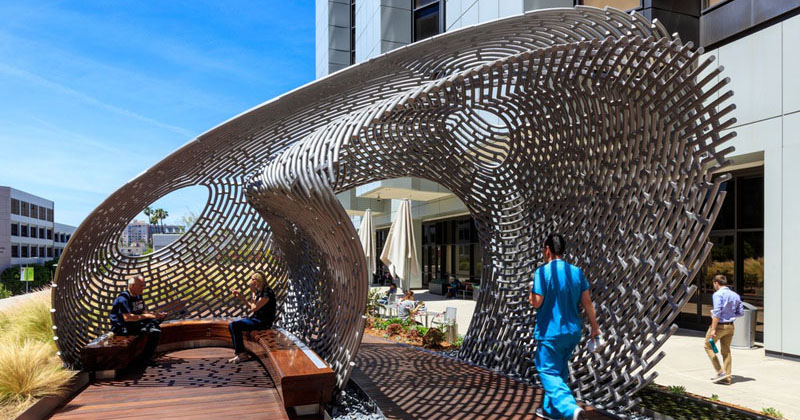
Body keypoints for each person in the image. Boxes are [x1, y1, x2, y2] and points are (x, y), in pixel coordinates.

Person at [529, 233, 599, 420]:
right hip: (572, 331)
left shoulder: (542, 272)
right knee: (559, 370)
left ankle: (570, 409)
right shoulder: (576, 272)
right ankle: (551, 411)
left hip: (551, 332)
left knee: (547, 370)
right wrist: (595, 327)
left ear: (547, 250)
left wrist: (530, 292)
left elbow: (536, 302)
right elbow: (587, 302)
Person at [109, 275, 166, 363]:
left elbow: (142, 311)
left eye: (144, 285)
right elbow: (127, 318)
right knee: (154, 331)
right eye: (141, 285)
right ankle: (144, 358)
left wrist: (155, 315)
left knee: (155, 322)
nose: (143, 287)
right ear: (132, 286)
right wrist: (148, 316)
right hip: (122, 327)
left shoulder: (138, 296)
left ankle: (145, 356)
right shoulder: (123, 299)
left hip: (134, 323)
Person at [228, 272, 277, 363]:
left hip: (263, 322)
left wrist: (253, 293)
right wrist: (242, 298)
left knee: (235, 325)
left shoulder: (267, 292)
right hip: (256, 319)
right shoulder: (260, 291)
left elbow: (254, 308)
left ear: (259, 281)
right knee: (232, 325)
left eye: (253, 279)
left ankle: (242, 354)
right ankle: (241, 353)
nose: (251, 281)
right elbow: (252, 307)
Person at [705, 274, 744, 385]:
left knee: (708, 346)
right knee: (726, 351)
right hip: (730, 326)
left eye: (714, 284)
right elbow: (741, 312)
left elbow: (717, 313)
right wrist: (730, 314)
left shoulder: (718, 294)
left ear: (716, 283)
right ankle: (727, 378)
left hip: (719, 326)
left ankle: (720, 372)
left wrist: (713, 329)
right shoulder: (735, 295)